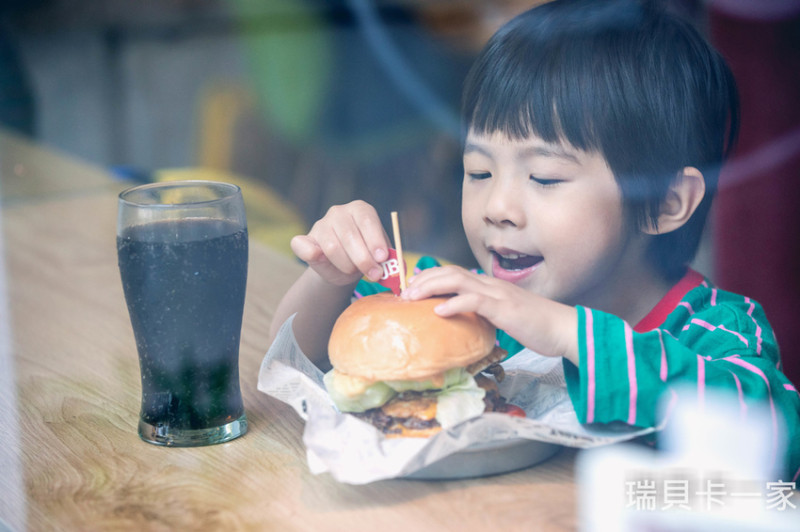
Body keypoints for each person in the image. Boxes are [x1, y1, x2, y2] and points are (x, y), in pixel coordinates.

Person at [271, 0, 800, 480]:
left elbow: (776, 439)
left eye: (544, 178)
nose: (497, 207)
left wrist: (566, 332)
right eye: (479, 172)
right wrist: (330, 278)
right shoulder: (464, 303)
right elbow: (296, 358)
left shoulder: (716, 330)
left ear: (665, 202)